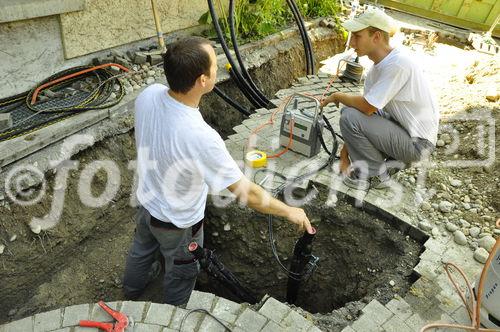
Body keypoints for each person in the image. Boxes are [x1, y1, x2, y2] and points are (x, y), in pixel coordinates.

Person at [123, 36, 313, 306]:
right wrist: (289, 210)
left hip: (147, 203)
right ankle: (173, 317)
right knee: (182, 273)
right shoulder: (201, 137)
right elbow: (248, 194)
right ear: (202, 80)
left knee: (141, 251)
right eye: (214, 65)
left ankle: (130, 291)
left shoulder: (149, 94)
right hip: (179, 223)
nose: (218, 68)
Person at [321, 8, 439, 190]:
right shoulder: (377, 70)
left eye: (357, 36)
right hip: (405, 133)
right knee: (352, 113)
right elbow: (366, 112)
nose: (351, 42)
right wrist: (344, 157)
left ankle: (377, 176)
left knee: (349, 115)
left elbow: (366, 108)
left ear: (376, 37)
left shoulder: (398, 64)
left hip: (418, 144)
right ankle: (393, 161)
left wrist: (338, 96)